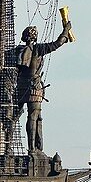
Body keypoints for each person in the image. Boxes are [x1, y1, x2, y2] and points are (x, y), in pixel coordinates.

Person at [16, 21, 72, 153]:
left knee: (14, 117)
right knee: (34, 116)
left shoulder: (18, 51)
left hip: (20, 86)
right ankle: (33, 149)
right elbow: (58, 43)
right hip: (34, 87)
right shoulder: (38, 49)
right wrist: (66, 30)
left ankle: (8, 148)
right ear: (34, 37)